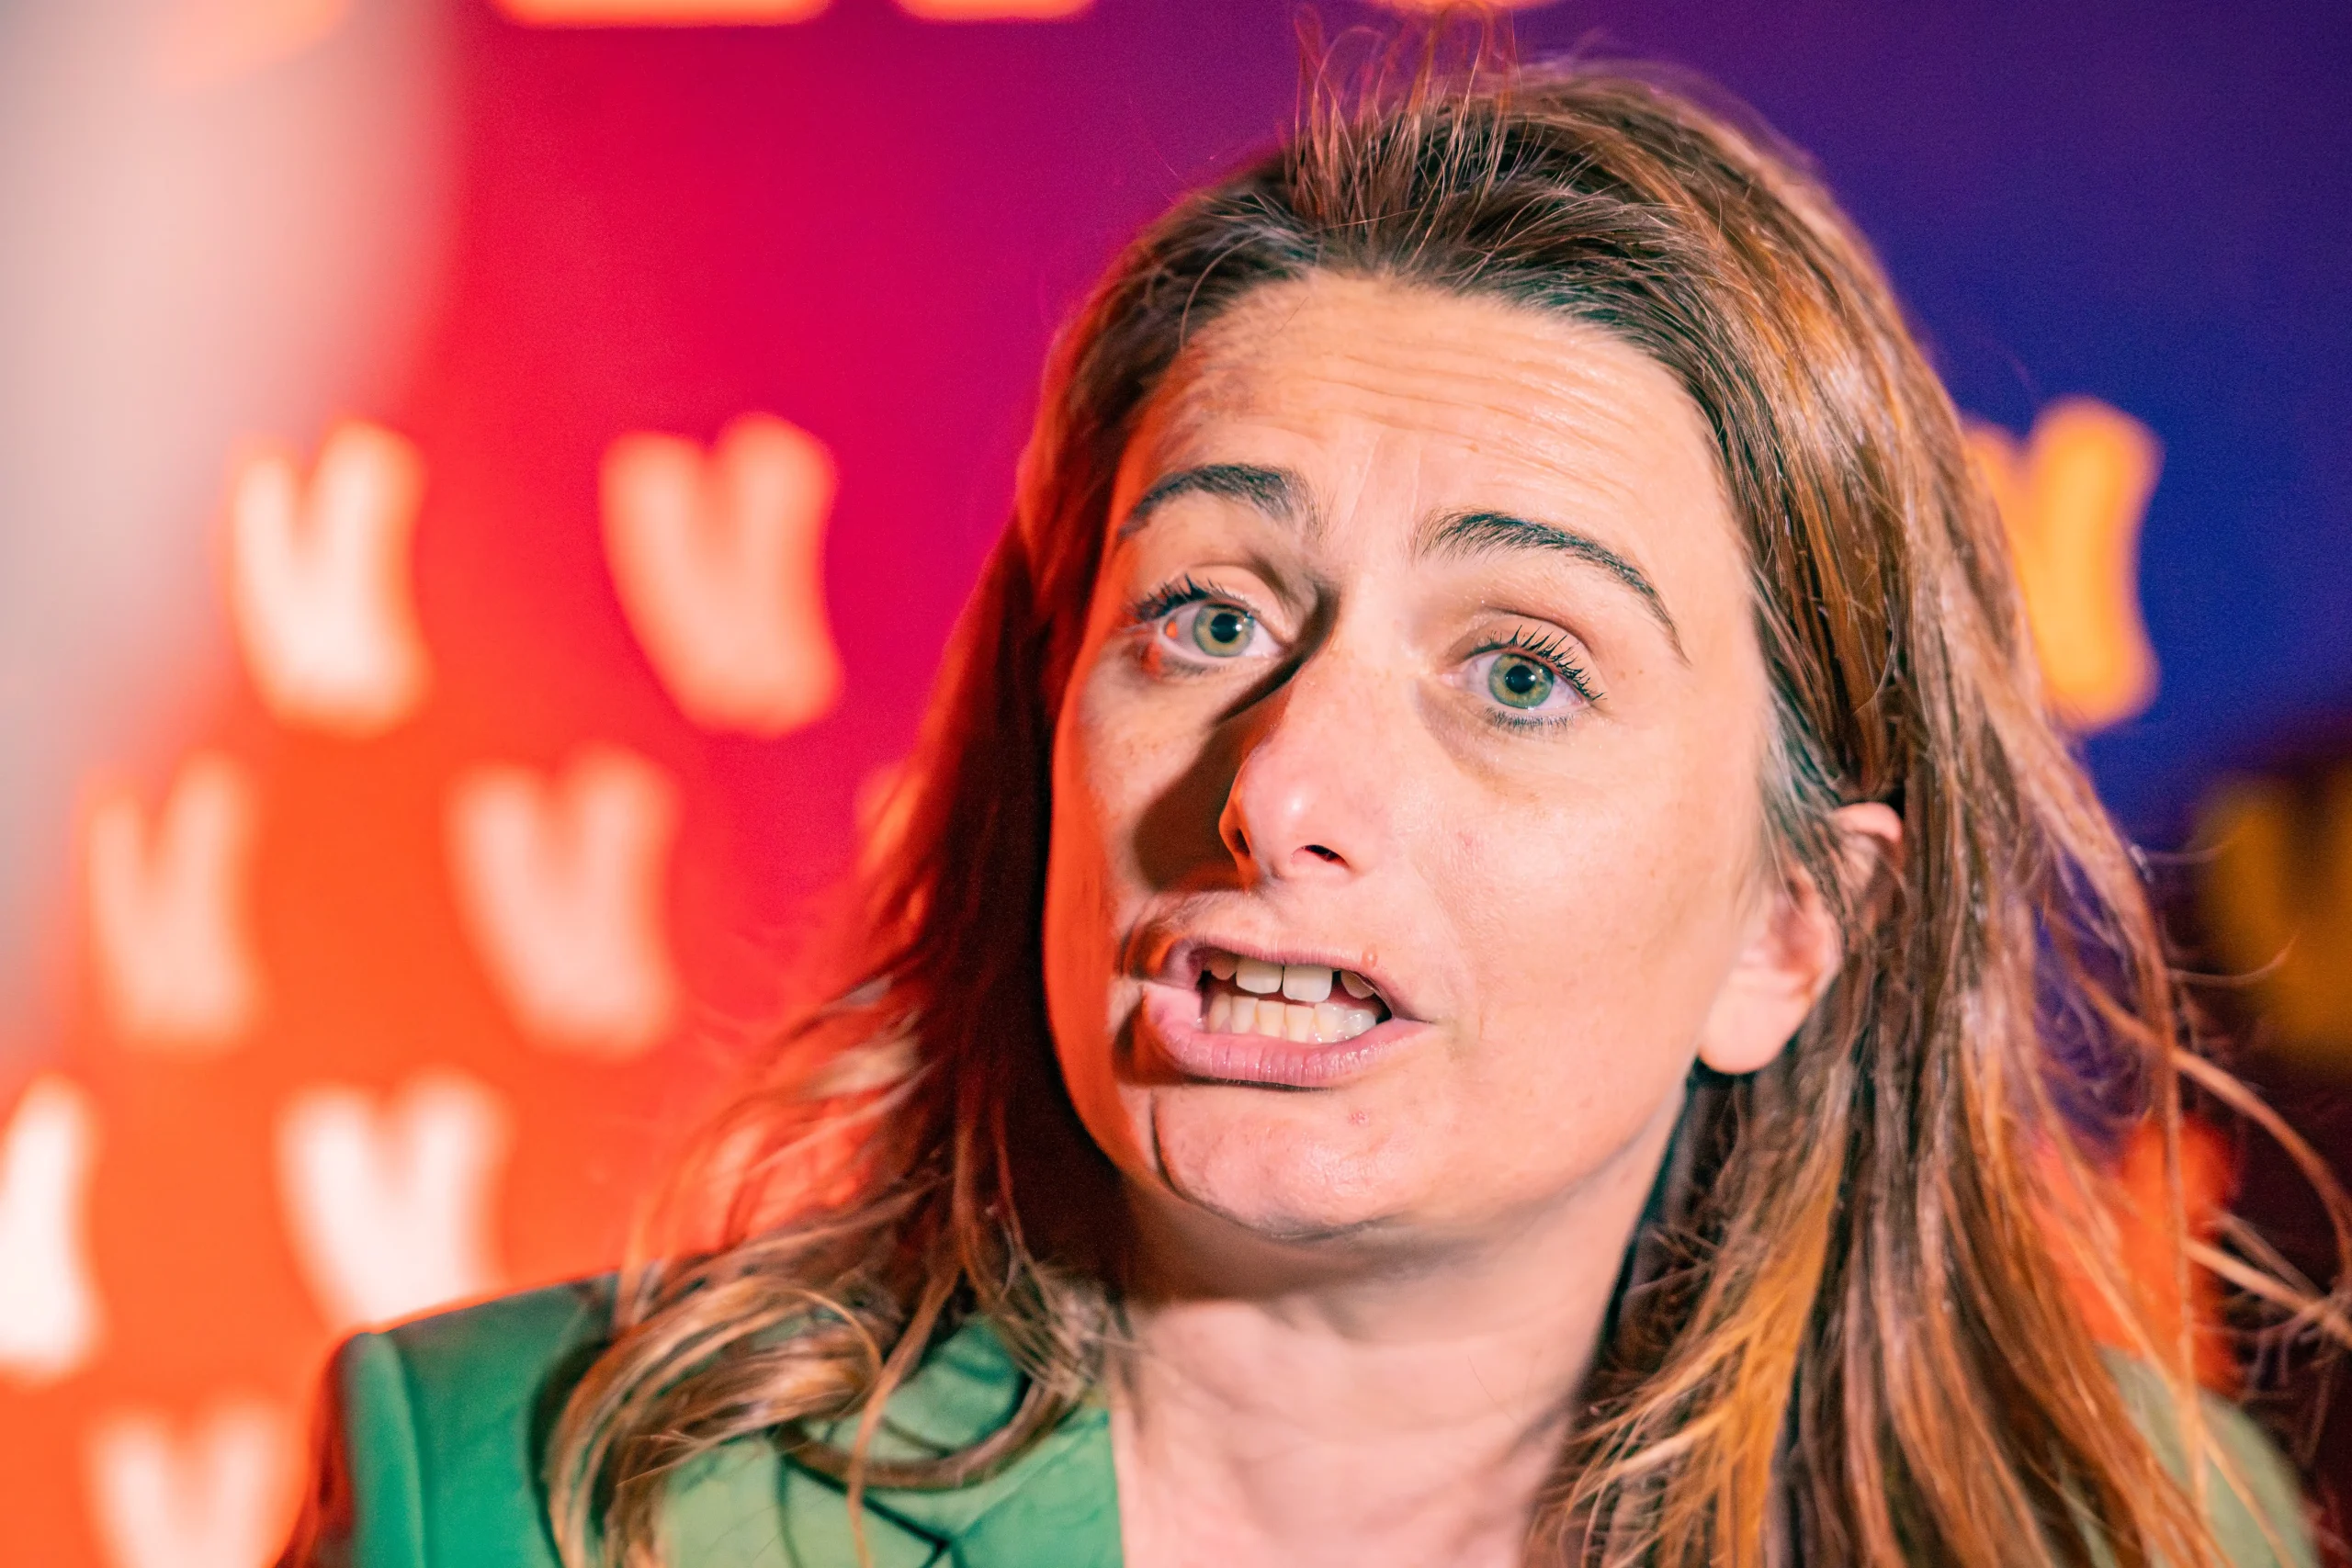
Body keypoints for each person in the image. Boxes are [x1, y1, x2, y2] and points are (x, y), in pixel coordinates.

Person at [280, 60, 2337, 1568]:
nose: (1274, 790)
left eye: (1517, 670)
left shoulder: (2150, 1530)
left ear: (1789, 927)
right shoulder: (522, 1499)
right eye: (1208, 617)